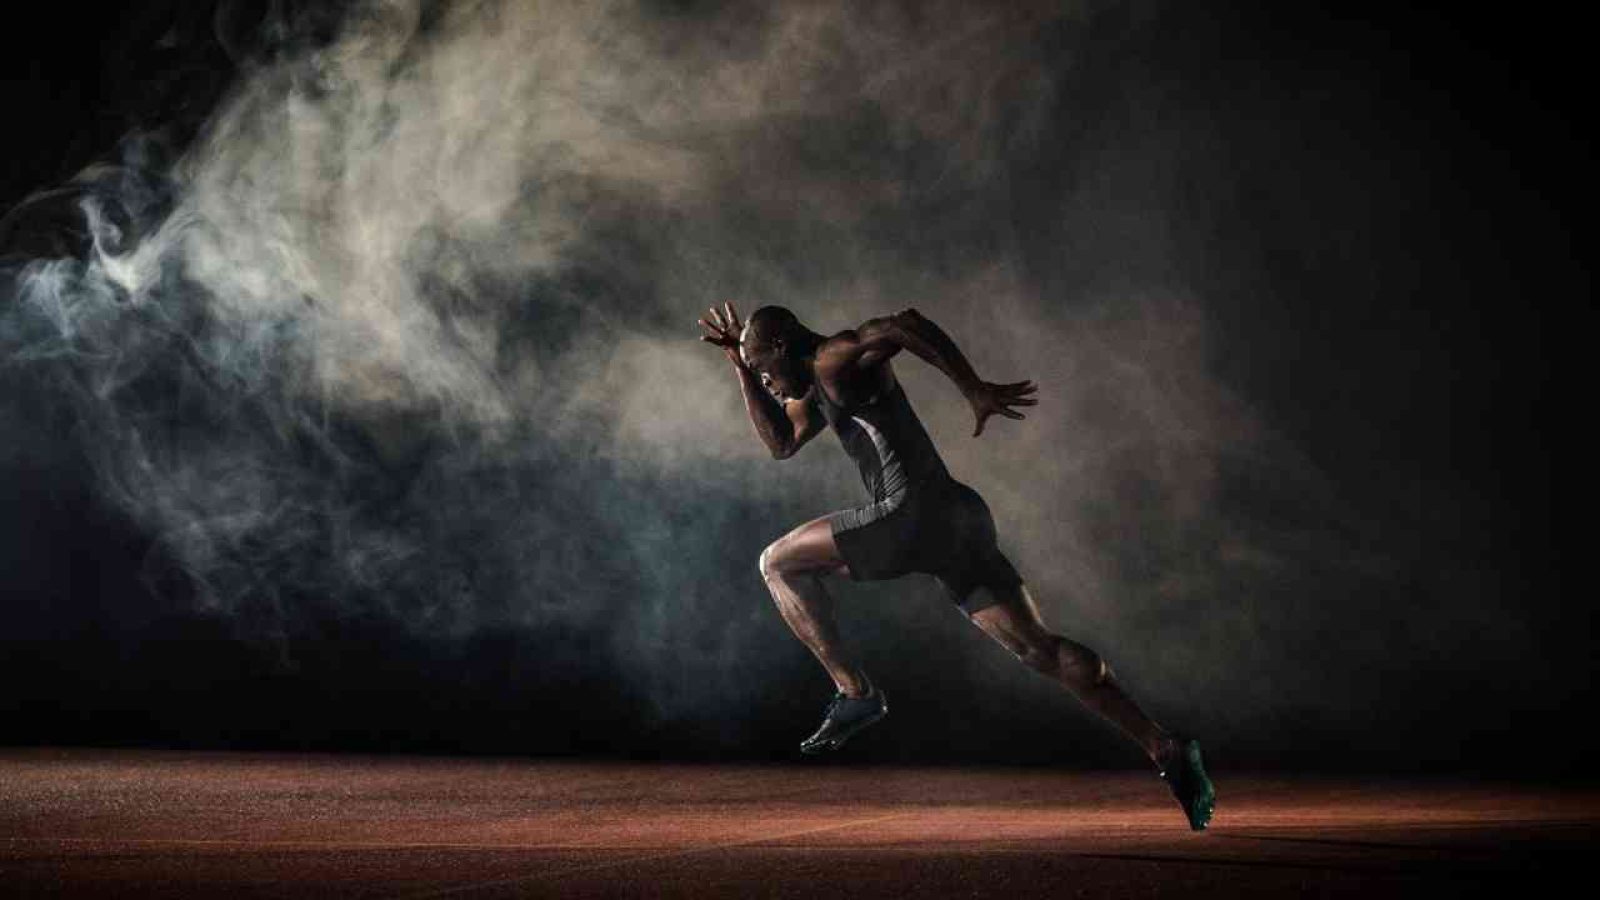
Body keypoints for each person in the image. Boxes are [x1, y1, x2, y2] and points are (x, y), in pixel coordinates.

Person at [697, 301, 1215, 831]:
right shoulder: (815, 384)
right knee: (1040, 649)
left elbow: (904, 325)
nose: (769, 383)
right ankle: (1165, 748)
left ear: (782, 346)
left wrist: (973, 389)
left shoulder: (833, 357)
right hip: (958, 518)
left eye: (764, 370)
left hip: (910, 516)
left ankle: (855, 693)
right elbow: (781, 444)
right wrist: (739, 365)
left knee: (778, 563)